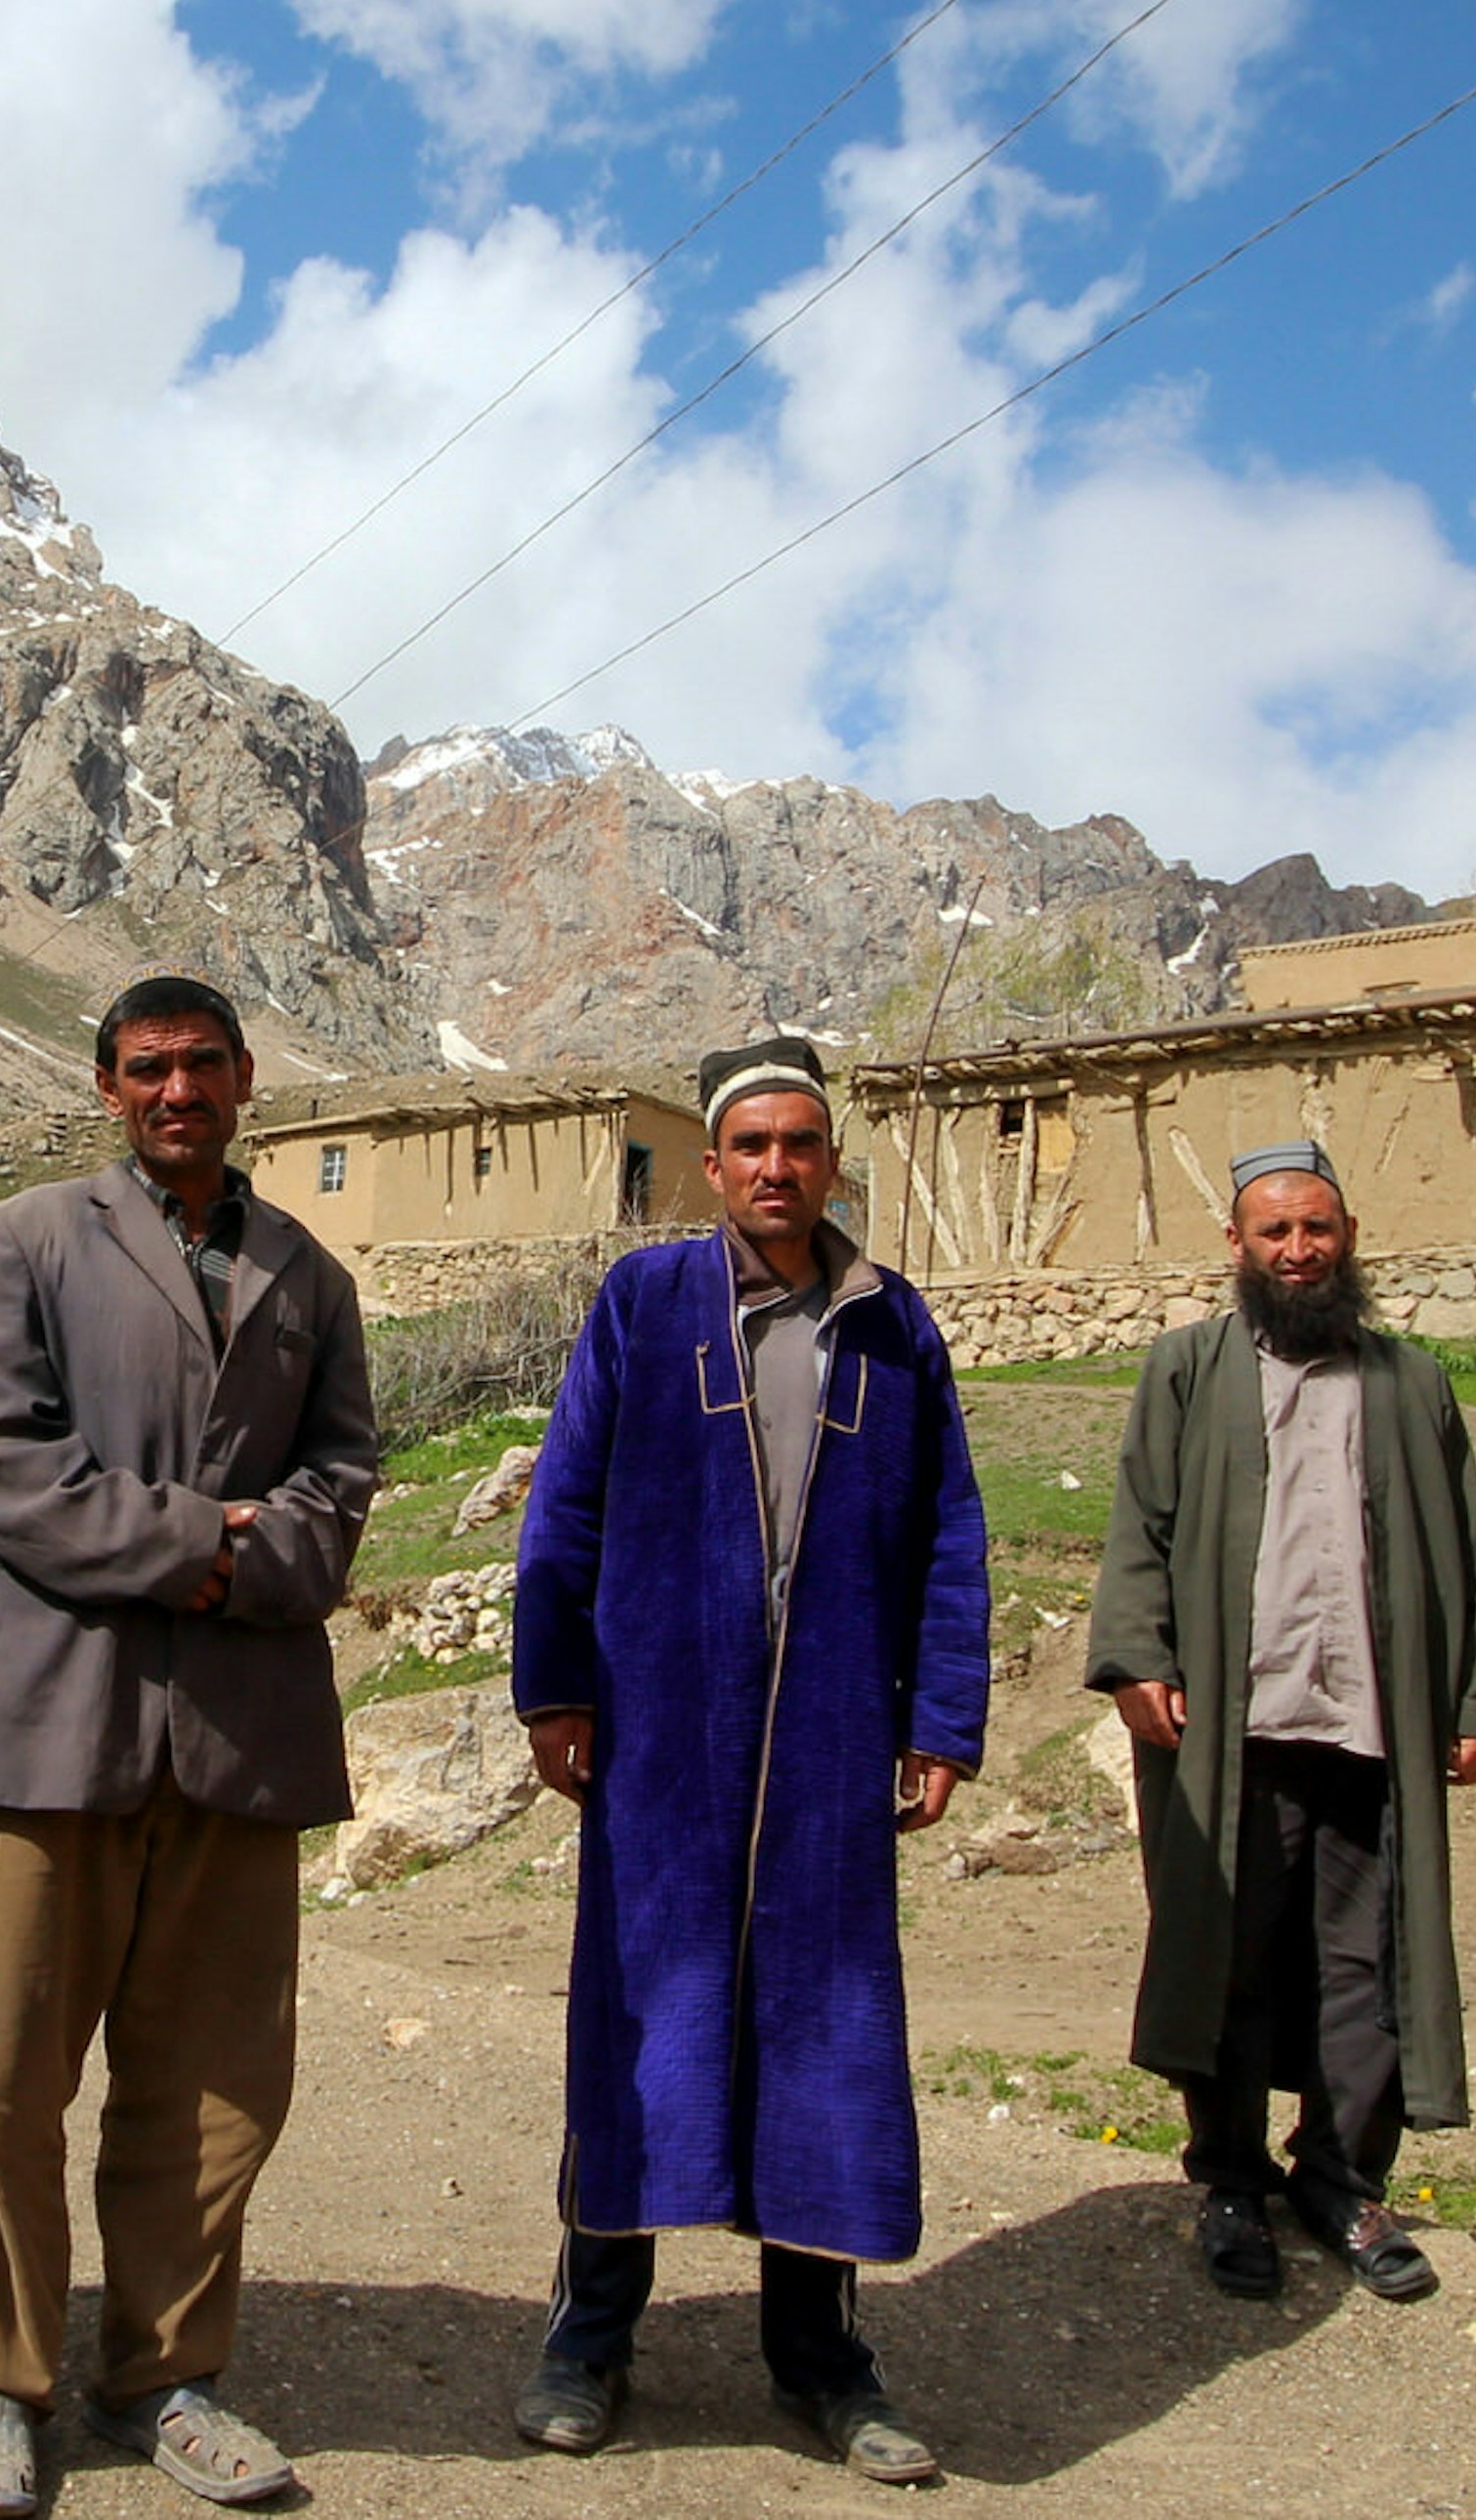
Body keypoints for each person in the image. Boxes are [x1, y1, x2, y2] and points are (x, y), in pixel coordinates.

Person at [0, 974, 378, 2519]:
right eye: (146, 1069)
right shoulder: (21, 1242)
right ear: (107, 1086)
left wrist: (255, 1558)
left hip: (241, 1740)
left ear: (248, 1076)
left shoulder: (309, 1271)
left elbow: (340, 1482)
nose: (177, 1090)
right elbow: (4, 1463)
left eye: (202, 1065)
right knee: (8, 2079)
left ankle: (166, 2377)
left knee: (218, 2083)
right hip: (59, 1722)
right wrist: (205, 1537)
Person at [509, 1035, 990, 2488]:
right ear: (713, 1168)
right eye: (751, 1147)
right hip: (661, 1736)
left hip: (835, 1739)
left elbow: (949, 1538)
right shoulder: (646, 1301)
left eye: (802, 1145)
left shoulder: (893, 1326)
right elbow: (566, 1503)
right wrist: (555, 1689)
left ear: (832, 1161)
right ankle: (589, 2335)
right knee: (640, 2023)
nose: (778, 1168)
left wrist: (938, 1720)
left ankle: (823, 2358)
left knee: (823, 2042)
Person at [1088, 1140, 1476, 2306]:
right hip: (1229, 1722)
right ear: (1237, 1246)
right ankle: (1228, 2179)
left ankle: (1340, 2178)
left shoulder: (1410, 1381)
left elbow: (1470, 1554)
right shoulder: (1187, 1369)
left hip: (1377, 1726)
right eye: (1274, 1231)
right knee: (1227, 1950)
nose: (1297, 1249)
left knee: (1363, 1961)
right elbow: (1141, 1527)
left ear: (1349, 1236)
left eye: (1315, 1228)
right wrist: (1134, 1659)